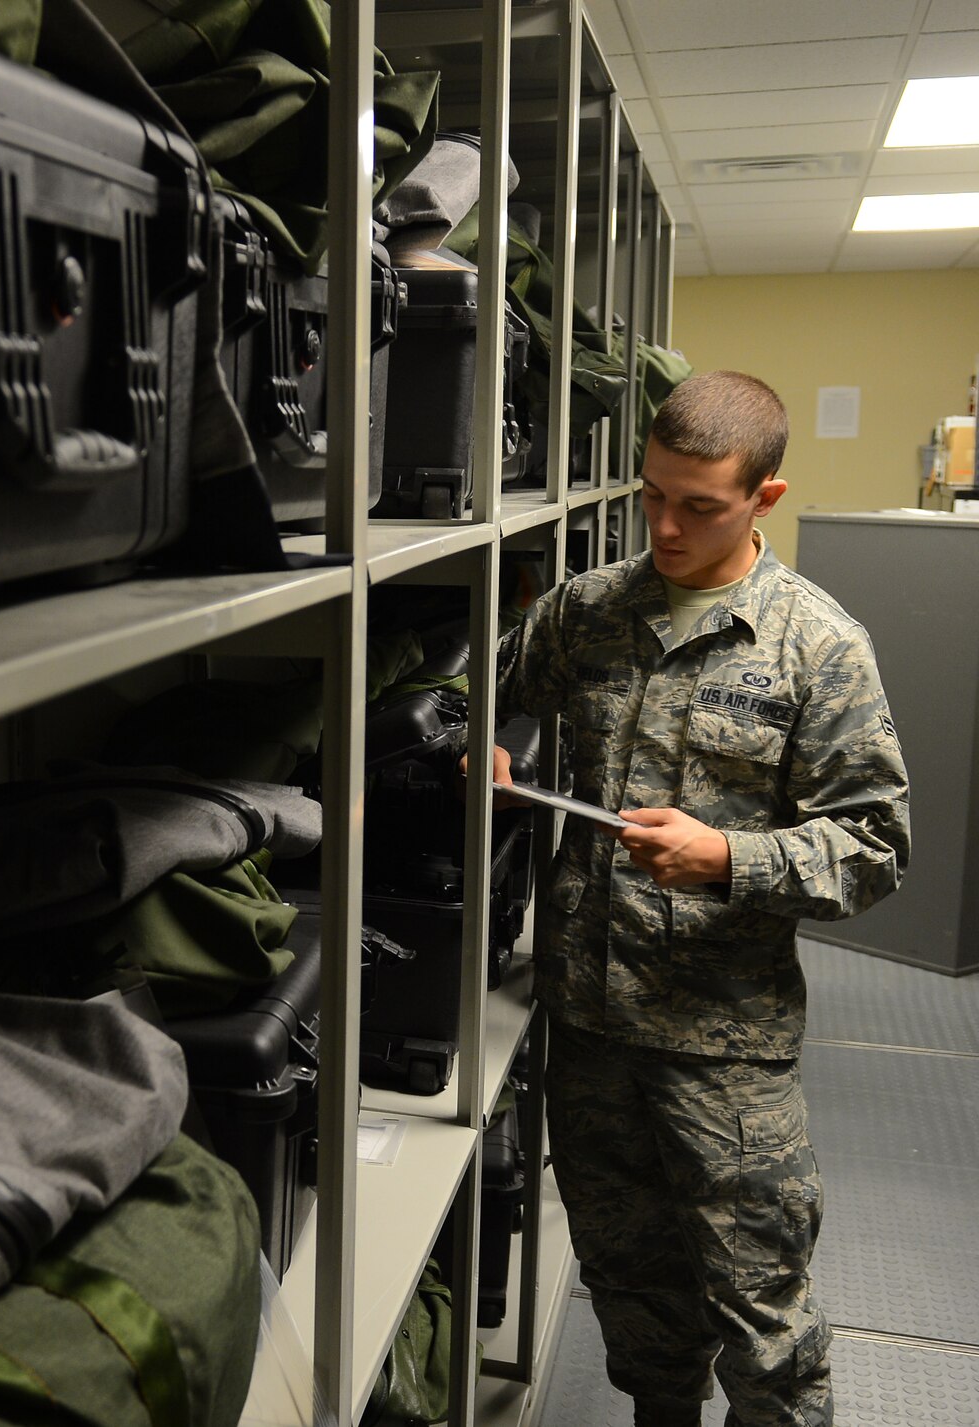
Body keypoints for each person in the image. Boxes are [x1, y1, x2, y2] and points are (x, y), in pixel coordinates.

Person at [464, 370, 910, 1427]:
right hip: (586, 1025)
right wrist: (478, 736)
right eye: (649, 495)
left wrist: (729, 856)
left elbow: (876, 847)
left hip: (723, 1043)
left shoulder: (817, 648)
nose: (662, 525)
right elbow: (481, 688)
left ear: (763, 496)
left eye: (697, 505)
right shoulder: (587, 610)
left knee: (763, 1326)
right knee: (632, 1297)